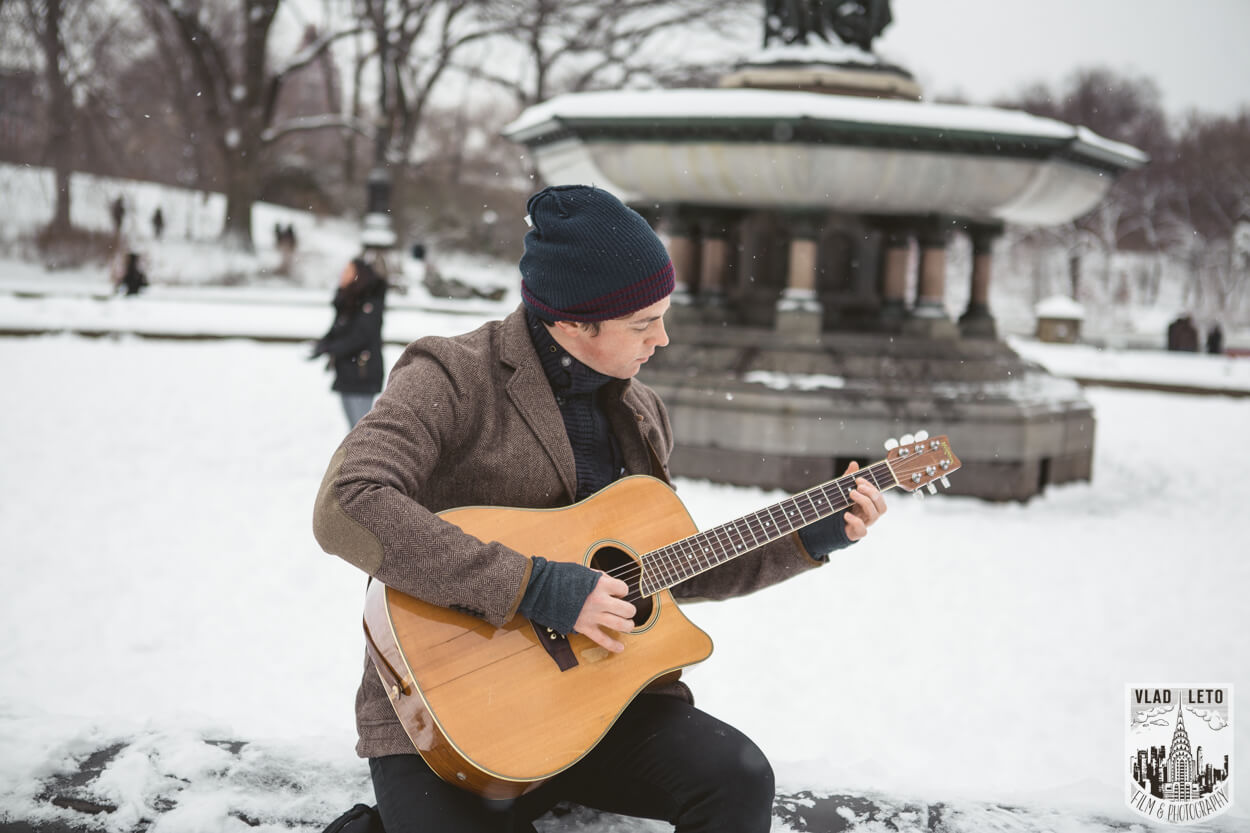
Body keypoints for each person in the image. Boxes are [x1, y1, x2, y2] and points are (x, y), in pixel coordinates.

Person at [311, 185, 888, 833]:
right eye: (643, 323)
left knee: (739, 778)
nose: (662, 339)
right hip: (452, 712)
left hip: (600, 702)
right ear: (573, 321)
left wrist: (807, 537)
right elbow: (348, 501)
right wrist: (536, 587)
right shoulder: (449, 375)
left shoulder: (640, 412)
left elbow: (662, 569)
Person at [311, 256, 388, 428]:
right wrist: (321, 345)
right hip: (347, 371)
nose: (342, 275)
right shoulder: (348, 301)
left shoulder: (369, 302)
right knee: (353, 428)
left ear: (358, 275)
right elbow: (338, 330)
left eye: (347, 271)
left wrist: (330, 349)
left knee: (361, 429)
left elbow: (361, 336)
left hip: (362, 372)